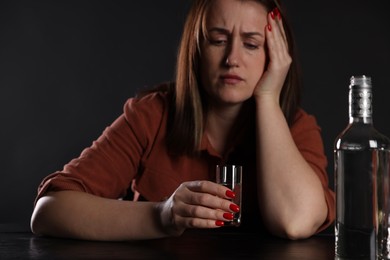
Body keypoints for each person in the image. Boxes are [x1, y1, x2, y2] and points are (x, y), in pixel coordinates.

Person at [31, 0, 335, 241]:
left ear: (277, 56)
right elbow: (49, 211)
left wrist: (268, 98)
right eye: (218, 40)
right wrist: (163, 215)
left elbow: (296, 221)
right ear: (197, 49)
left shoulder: (296, 127)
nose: (232, 58)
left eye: (252, 44)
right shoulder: (153, 115)